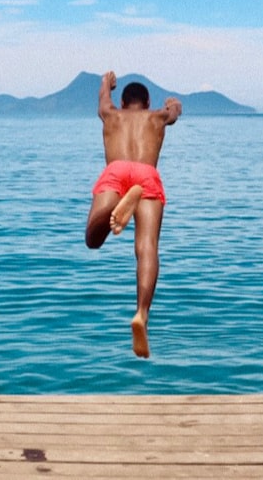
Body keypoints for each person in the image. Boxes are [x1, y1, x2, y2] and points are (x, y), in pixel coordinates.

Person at [85, 71, 182, 358]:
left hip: (115, 172)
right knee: (147, 247)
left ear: (124, 102)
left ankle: (115, 208)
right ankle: (141, 313)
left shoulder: (110, 115)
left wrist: (106, 83)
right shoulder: (157, 117)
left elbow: (103, 98)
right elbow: (174, 112)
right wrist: (173, 104)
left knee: (93, 238)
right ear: (148, 101)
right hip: (146, 175)